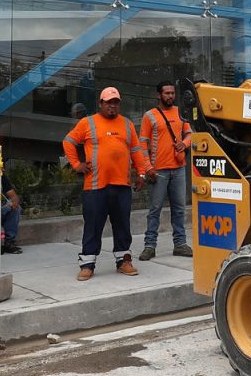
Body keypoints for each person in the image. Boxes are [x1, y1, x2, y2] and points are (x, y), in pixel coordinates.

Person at [63, 87, 149, 281]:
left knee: (122, 226)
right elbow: (68, 142)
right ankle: (87, 264)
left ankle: (124, 261)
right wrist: (77, 164)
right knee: (93, 226)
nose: (112, 106)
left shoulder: (127, 124)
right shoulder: (87, 122)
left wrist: (142, 173)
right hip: (95, 186)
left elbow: (136, 150)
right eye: (108, 102)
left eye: (116, 102)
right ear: (100, 104)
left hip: (122, 186)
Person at [139, 80, 193, 260]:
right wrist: (147, 168)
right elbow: (142, 143)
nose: (170, 96)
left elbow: (190, 134)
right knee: (154, 210)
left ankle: (180, 244)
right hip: (158, 171)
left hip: (178, 169)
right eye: (167, 93)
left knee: (179, 209)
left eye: (172, 93)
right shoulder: (150, 116)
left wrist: (183, 144)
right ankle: (149, 246)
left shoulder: (181, 112)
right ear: (159, 95)